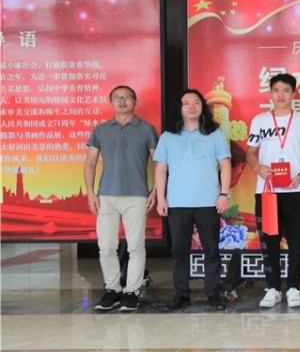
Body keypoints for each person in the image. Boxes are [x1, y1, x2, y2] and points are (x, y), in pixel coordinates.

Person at [154, 89, 231, 311]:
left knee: (211, 250)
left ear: (202, 107)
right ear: (179, 108)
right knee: (179, 252)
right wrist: (161, 198)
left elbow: (225, 164)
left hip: (208, 202)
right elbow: (160, 168)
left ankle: (213, 293)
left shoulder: (214, 134)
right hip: (177, 203)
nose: (191, 107)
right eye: (186, 103)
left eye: (196, 102)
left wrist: (223, 194)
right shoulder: (168, 137)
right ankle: (181, 294)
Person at [84, 85, 158, 312]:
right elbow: (90, 163)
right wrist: (90, 192)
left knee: (136, 246)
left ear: (135, 101)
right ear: (111, 103)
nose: (122, 101)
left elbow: (158, 162)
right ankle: (112, 289)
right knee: (106, 246)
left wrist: (155, 190)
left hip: (137, 196)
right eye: (117, 97)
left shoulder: (146, 129)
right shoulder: (101, 130)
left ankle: (131, 291)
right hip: (106, 196)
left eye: (127, 97)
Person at [247, 73, 300, 308]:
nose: (281, 95)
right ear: (270, 93)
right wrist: (258, 168)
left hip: (295, 189)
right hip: (267, 190)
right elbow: (250, 153)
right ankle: (273, 288)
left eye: (286, 90)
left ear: (293, 94)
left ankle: (294, 288)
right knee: (269, 240)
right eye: (276, 90)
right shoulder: (259, 120)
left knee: (296, 240)